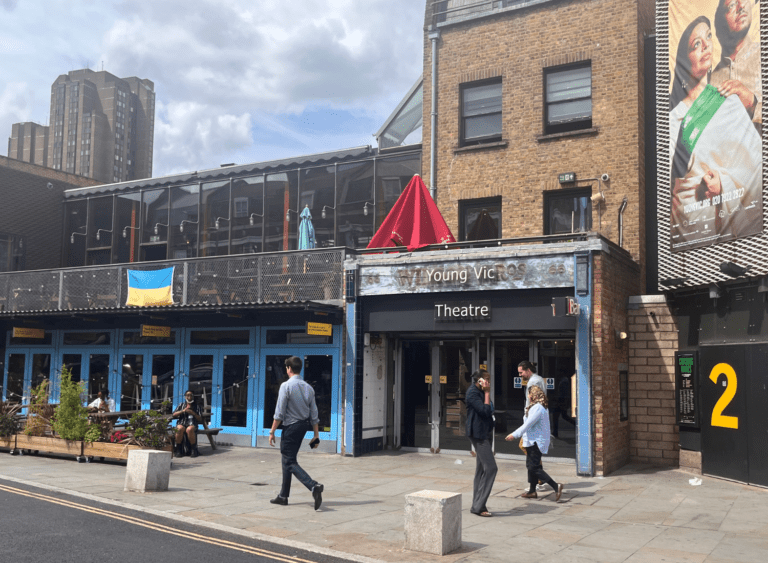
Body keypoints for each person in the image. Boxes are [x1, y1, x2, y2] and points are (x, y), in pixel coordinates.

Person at [669, 16, 762, 248]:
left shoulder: (729, 102)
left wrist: (723, 185)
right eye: (696, 44)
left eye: (708, 37)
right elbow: (673, 187)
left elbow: (757, 167)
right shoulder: (672, 120)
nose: (706, 45)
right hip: (688, 229)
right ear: (683, 59)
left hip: (735, 229)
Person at [269, 356, 324, 510]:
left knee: (289, 461)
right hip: (303, 427)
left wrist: (272, 431)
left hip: (291, 427)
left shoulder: (286, 386)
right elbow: (314, 414)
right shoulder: (309, 388)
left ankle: (314, 486)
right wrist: (316, 434)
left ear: (289, 369)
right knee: (288, 459)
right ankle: (283, 496)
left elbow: (279, 413)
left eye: (286, 368)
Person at [710, 0, 761, 132]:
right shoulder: (712, 78)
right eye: (732, 5)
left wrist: (753, 104)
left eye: (744, 0)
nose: (741, 6)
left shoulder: (763, 57)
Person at [506, 386, 564, 501]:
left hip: (536, 442)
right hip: (531, 441)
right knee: (531, 466)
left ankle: (555, 486)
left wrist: (515, 434)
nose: (528, 396)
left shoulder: (538, 408)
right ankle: (532, 491)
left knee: (534, 467)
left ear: (534, 396)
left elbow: (528, 424)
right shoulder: (535, 407)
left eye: (529, 394)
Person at [465, 369, 497, 517]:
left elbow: (491, 408)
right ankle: (478, 506)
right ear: (479, 380)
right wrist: (486, 393)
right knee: (491, 468)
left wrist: (486, 394)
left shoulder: (480, 391)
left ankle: (477, 504)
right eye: (486, 379)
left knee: (481, 469)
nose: (488, 382)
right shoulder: (472, 393)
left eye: (489, 379)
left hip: (486, 432)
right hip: (478, 434)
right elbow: (485, 410)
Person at [173, 390, 203, 458]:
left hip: (192, 424)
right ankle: (178, 449)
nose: (189, 397)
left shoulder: (197, 406)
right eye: (187, 395)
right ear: (185, 397)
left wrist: (193, 413)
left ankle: (193, 450)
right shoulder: (181, 405)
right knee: (180, 428)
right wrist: (183, 411)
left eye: (191, 395)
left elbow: (200, 419)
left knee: (189, 429)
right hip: (182, 423)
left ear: (193, 397)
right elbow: (174, 414)